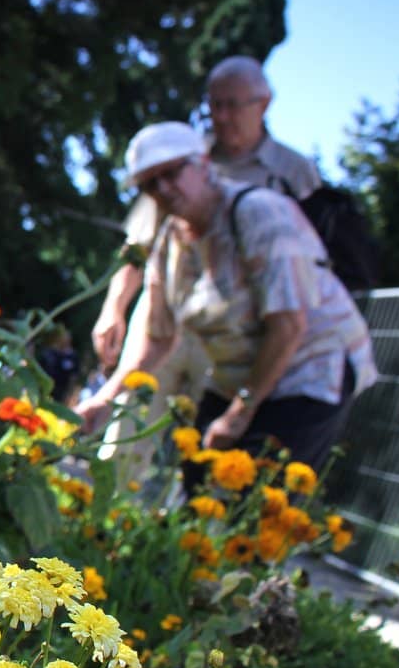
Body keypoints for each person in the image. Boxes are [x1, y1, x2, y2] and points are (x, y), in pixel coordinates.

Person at [76, 121, 377, 471]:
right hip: (238, 373)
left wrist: (239, 414)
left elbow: (289, 325)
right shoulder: (169, 241)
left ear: (202, 163)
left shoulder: (259, 213)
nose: (163, 189)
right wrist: (104, 399)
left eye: (171, 173)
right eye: (149, 184)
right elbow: (157, 340)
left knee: (257, 492)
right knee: (198, 474)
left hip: (308, 372)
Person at [90, 55, 322, 375]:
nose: (222, 117)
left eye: (232, 105)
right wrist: (113, 308)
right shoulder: (175, 159)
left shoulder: (294, 171)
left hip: (241, 323)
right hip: (168, 309)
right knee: (129, 407)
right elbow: (136, 249)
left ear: (264, 103)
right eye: (214, 105)